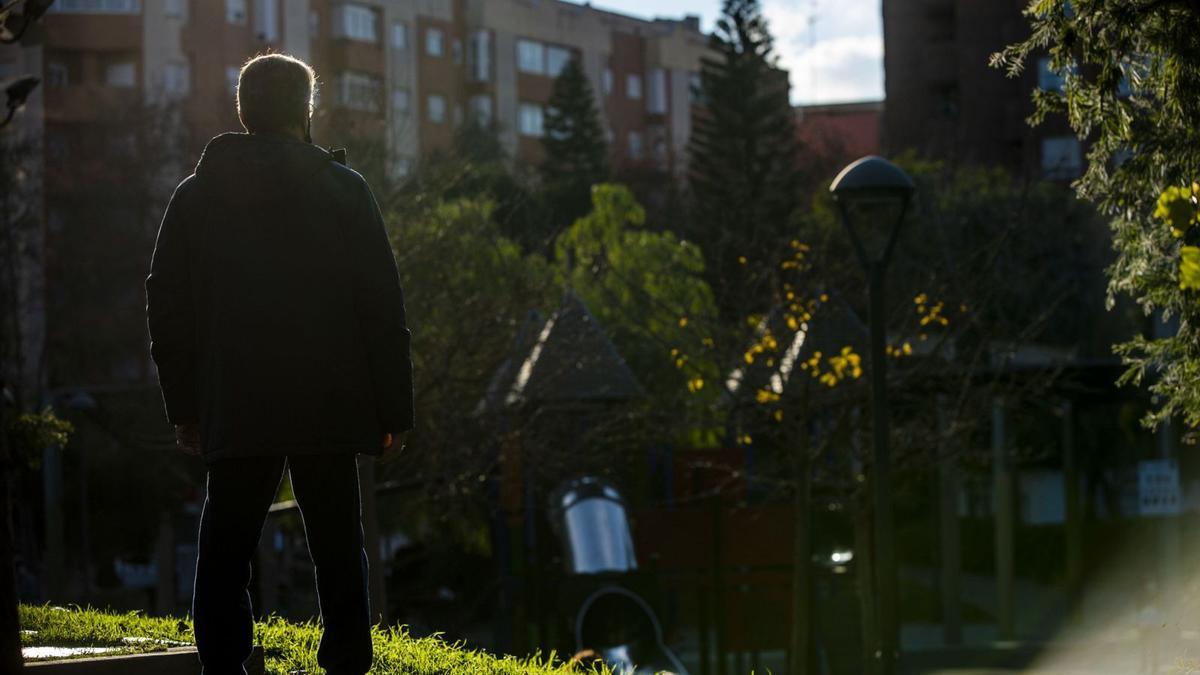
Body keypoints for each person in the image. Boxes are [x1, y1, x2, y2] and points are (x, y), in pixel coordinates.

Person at [146, 53, 414, 675]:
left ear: (242, 111)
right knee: (338, 544)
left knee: (226, 544)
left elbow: (167, 305)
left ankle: (223, 662)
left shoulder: (196, 196)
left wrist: (185, 406)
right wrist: (393, 411)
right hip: (331, 396)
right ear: (306, 110)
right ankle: (347, 662)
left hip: (237, 398)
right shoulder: (345, 191)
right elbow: (382, 305)